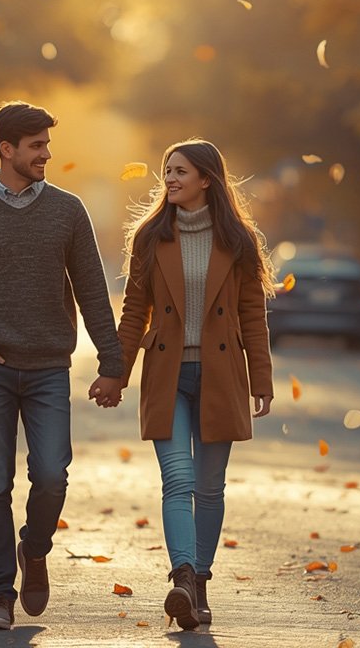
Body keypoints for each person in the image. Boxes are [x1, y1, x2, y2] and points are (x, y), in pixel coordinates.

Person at [0, 100, 124, 631]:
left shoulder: (68, 211)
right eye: (36, 146)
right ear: (7, 148)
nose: (46, 155)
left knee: (51, 475)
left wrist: (112, 362)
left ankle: (34, 550)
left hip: (48, 369)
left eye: (47, 145)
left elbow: (92, 291)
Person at [100, 138, 275, 630]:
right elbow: (134, 312)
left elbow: (252, 316)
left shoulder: (238, 240)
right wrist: (116, 373)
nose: (170, 179)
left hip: (222, 375)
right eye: (167, 171)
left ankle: (198, 583)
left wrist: (261, 378)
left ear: (206, 179)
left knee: (210, 488)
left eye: (180, 171)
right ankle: (181, 577)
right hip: (168, 374)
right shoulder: (151, 237)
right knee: (178, 479)